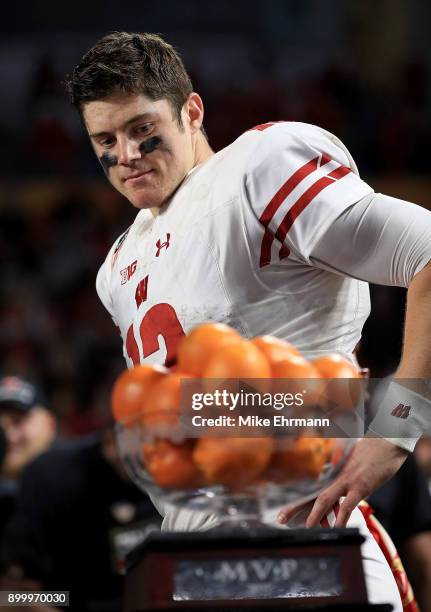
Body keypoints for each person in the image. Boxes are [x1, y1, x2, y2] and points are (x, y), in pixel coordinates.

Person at [66, 31, 431, 609]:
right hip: (187, 556)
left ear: (192, 112)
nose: (127, 155)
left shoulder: (257, 166)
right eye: (105, 140)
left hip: (301, 536)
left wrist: (399, 425)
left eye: (142, 129)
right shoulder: (116, 265)